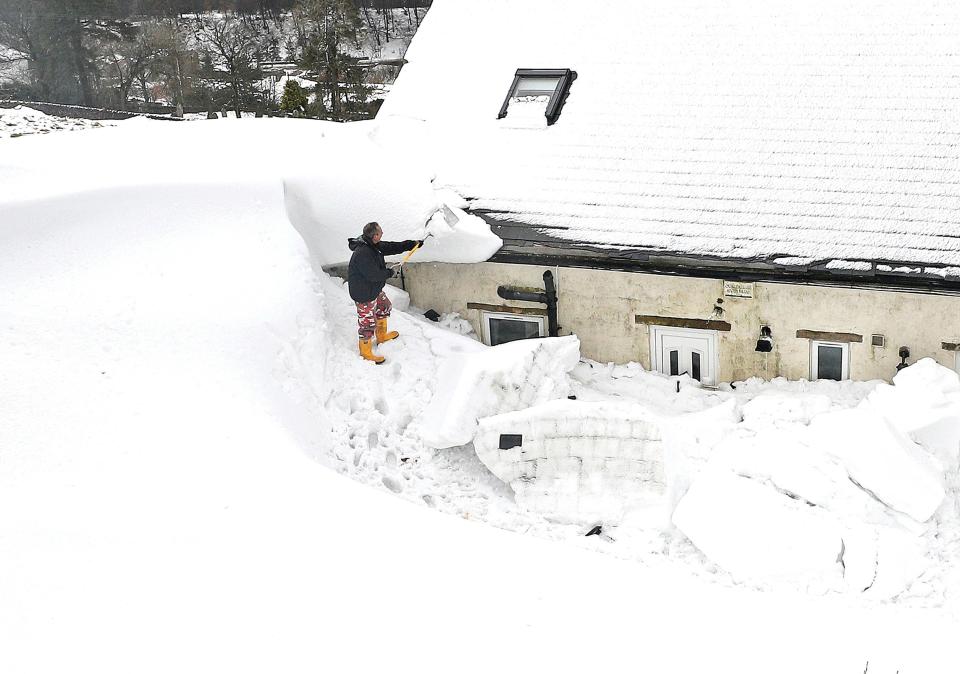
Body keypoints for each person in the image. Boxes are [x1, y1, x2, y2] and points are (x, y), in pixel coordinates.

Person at [347, 222, 423, 364]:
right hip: (363, 293)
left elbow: (392, 247)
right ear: (375, 235)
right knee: (367, 323)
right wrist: (390, 272)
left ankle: (381, 336)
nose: (382, 234)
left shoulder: (373, 245)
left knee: (384, 306)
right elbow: (374, 275)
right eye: (380, 232)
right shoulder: (363, 252)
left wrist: (412, 244)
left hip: (373, 289)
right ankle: (365, 351)